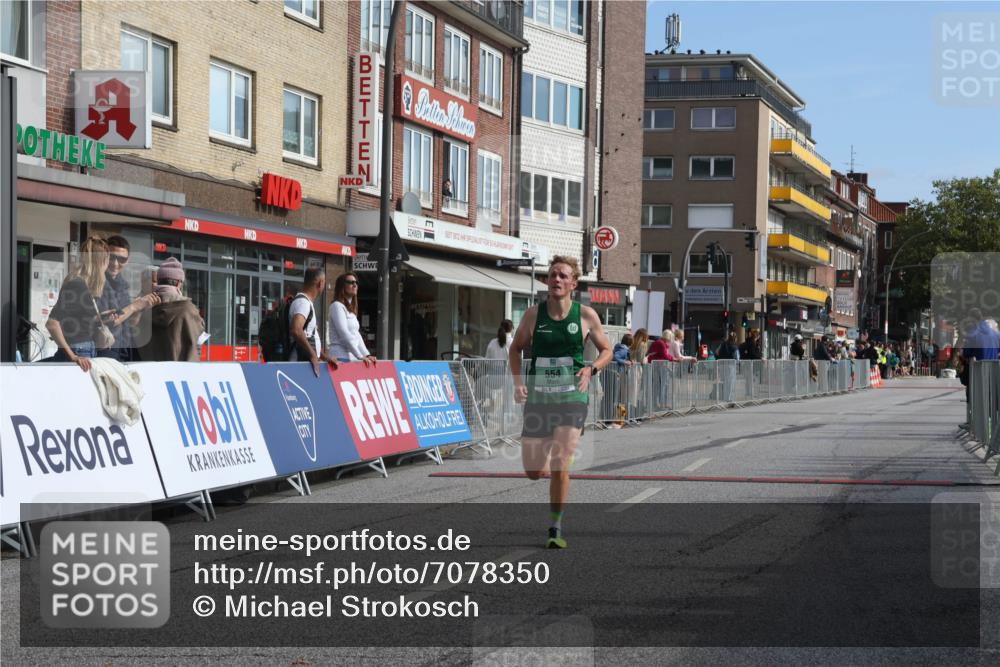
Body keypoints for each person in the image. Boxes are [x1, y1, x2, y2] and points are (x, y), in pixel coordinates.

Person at [509, 256, 612, 549]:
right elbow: (515, 350)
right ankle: (555, 476)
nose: (556, 279)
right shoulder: (533, 315)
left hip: (571, 397)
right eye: (553, 275)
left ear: (573, 284)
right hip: (540, 398)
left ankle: (555, 527)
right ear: (547, 280)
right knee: (531, 471)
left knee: (560, 464)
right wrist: (518, 383)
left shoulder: (586, 315)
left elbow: (606, 349)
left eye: (563, 276)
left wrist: (592, 368)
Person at [46, 237, 113, 372]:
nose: (108, 265)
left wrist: (100, 318)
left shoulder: (83, 285)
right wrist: (73, 356)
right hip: (80, 350)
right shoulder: (78, 285)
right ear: (101, 261)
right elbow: (52, 323)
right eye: (107, 260)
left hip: (84, 349)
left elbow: (74, 321)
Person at [98, 235, 159, 361]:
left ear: (127, 260)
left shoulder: (124, 286)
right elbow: (107, 322)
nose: (115, 263)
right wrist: (134, 306)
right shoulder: (98, 283)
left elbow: (129, 325)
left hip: (125, 352)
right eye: (112, 257)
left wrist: (139, 310)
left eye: (121, 259)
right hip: (105, 353)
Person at [139, 257, 205, 362]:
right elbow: (198, 336)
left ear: (159, 280)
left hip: (149, 373)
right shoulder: (188, 309)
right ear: (179, 283)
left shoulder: (142, 306)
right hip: (179, 374)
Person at [291, 267, 333, 376]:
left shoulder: (306, 302)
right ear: (320, 283)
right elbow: (296, 330)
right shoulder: (303, 302)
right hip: (303, 363)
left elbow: (309, 333)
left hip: (307, 361)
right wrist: (313, 355)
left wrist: (324, 356)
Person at [328, 272, 376, 365]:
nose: (354, 285)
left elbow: (356, 334)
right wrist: (359, 355)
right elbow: (343, 333)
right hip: (340, 357)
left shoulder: (350, 310)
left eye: (356, 282)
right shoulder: (336, 306)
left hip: (352, 357)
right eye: (350, 282)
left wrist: (366, 354)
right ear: (342, 286)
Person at [959, 308, 1000, 403]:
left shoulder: (972, 333)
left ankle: (975, 416)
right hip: (993, 374)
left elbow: (966, 353)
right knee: (991, 402)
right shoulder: (996, 334)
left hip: (977, 375)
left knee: (976, 401)